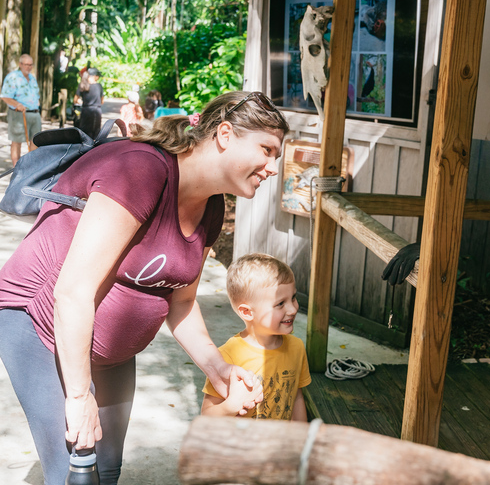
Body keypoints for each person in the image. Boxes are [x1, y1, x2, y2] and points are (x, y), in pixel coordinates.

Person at [0, 90, 289, 484]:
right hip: (41, 327)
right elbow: (73, 291)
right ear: (224, 134)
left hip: (113, 352)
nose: (274, 167)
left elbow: (182, 302)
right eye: (267, 149)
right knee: (74, 473)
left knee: (108, 470)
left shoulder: (213, 205)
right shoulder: (142, 171)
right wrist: (80, 395)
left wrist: (218, 367)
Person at [201, 253, 310, 420]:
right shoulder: (227, 357)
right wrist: (231, 406)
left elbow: (296, 397)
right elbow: (207, 416)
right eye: (280, 303)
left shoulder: (297, 347)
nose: (293, 309)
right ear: (247, 312)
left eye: (293, 298)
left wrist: (302, 439)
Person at [0, 54, 41, 166]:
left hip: (34, 113)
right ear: (20, 64)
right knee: (16, 142)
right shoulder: (12, 77)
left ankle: (31, 168)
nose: (29, 67)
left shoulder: (32, 78)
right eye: (26, 64)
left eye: (30, 65)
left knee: (36, 141)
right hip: (19, 114)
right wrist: (17, 104)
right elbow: (4, 96)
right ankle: (16, 169)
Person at [74, 67, 105, 139]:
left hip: (86, 110)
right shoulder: (99, 86)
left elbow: (75, 100)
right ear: (95, 76)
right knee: (96, 132)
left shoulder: (82, 85)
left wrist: (82, 102)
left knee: (84, 132)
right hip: (97, 111)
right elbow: (102, 101)